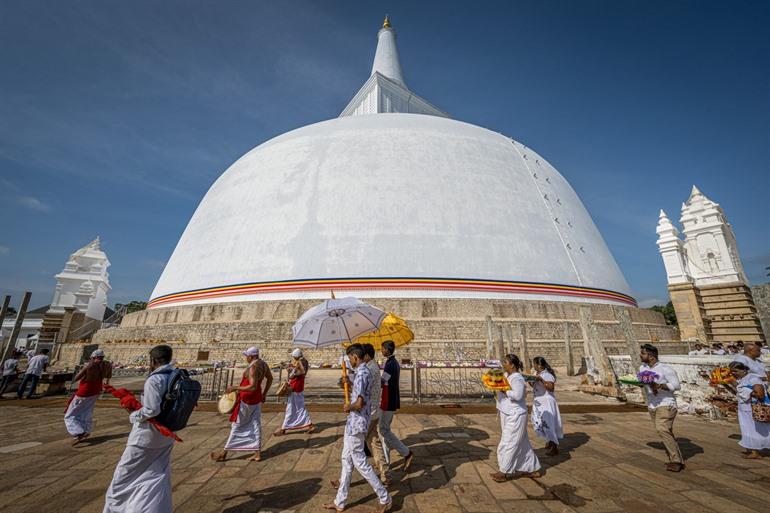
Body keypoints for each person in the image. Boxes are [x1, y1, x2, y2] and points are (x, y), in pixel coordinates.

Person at [103, 345, 176, 513]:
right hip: (167, 434)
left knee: (122, 480)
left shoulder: (155, 379)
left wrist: (133, 415)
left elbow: (151, 410)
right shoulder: (176, 376)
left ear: (154, 361)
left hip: (146, 436)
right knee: (156, 477)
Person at [324, 344, 391, 512]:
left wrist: (349, 407)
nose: (349, 362)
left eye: (350, 358)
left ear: (355, 357)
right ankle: (340, 501)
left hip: (357, 422)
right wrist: (348, 383)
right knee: (346, 460)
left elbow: (360, 403)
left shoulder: (362, 373)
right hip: (354, 423)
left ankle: (384, 496)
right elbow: (361, 392)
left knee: (360, 462)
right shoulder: (363, 372)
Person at [211, 346, 272, 462]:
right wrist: (264, 394)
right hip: (257, 398)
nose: (246, 358)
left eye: (247, 356)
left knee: (237, 425)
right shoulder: (263, 364)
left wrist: (235, 387)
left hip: (247, 399)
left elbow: (252, 386)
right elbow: (270, 378)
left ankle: (224, 452)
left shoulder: (253, 368)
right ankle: (257, 453)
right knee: (255, 424)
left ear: (251, 356)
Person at [490, 353, 541, 482]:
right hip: (506, 412)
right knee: (522, 443)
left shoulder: (517, 378)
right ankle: (531, 469)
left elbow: (518, 396)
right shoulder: (507, 375)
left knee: (508, 442)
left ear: (512, 365)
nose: (503, 364)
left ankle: (504, 471)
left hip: (516, 414)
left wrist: (504, 390)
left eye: (505, 362)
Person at [640, 343, 684, 472]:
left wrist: (659, 386)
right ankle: (674, 456)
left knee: (661, 429)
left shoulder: (665, 369)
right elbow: (644, 382)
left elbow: (676, 386)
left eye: (643, 353)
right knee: (665, 431)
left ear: (651, 356)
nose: (640, 356)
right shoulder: (642, 368)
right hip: (652, 404)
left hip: (666, 403)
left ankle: (676, 461)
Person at [379, 340, 414, 475]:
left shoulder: (390, 365)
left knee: (384, 430)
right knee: (384, 430)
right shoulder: (393, 363)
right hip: (391, 399)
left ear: (387, 350)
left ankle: (406, 453)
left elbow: (383, 382)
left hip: (388, 400)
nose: (381, 351)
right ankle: (386, 462)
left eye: (382, 349)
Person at [64, 349, 112, 445]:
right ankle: (86, 430)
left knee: (69, 415)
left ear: (94, 357)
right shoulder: (107, 364)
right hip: (96, 390)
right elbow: (108, 376)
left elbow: (77, 378)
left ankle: (79, 432)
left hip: (84, 391)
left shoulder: (90, 365)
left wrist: (80, 373)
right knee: (87, 411)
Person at [728, 361, 770, 459]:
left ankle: (755, 452)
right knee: (747, 430)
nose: (734, 373)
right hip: (744, 409)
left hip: (753, 409)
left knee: (754, 430)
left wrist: (747, 392)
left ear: (744, 370)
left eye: (736, 371)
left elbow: (760, 394)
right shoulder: (743, 379)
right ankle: (751, 450)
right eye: (732, 372)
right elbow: (739, 392)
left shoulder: (753, 378)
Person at [361, 343, 389, 483]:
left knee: (352, 447)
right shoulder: (374, 367)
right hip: (375, 411)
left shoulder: (367, 370)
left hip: (367, 413)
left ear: (366, 355)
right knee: (374, 442)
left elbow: (362, 393)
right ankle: (384, 472)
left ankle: (344, 480)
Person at [275, 348, 314, 435]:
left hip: (296, 387)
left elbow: (297, 373)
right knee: (296, 407)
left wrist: (291, 371)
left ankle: (284, 428)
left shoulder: (300, 363)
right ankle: (286, 427)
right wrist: (289, 367)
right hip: (297, 386)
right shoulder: (302, 362)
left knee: (293, 407)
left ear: (296, 356)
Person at [529, 356, 563, 456]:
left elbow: (551, 388)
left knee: (549, 423)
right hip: (539, 402)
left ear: (539, 365)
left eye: (534, 364)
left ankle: (554, 447)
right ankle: (549, 441)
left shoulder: (547, 375)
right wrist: (531, 380)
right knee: (540, 422)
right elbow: (535, 386)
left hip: (546, 402)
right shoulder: (536, 373)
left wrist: (541, 380)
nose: (533, 365)